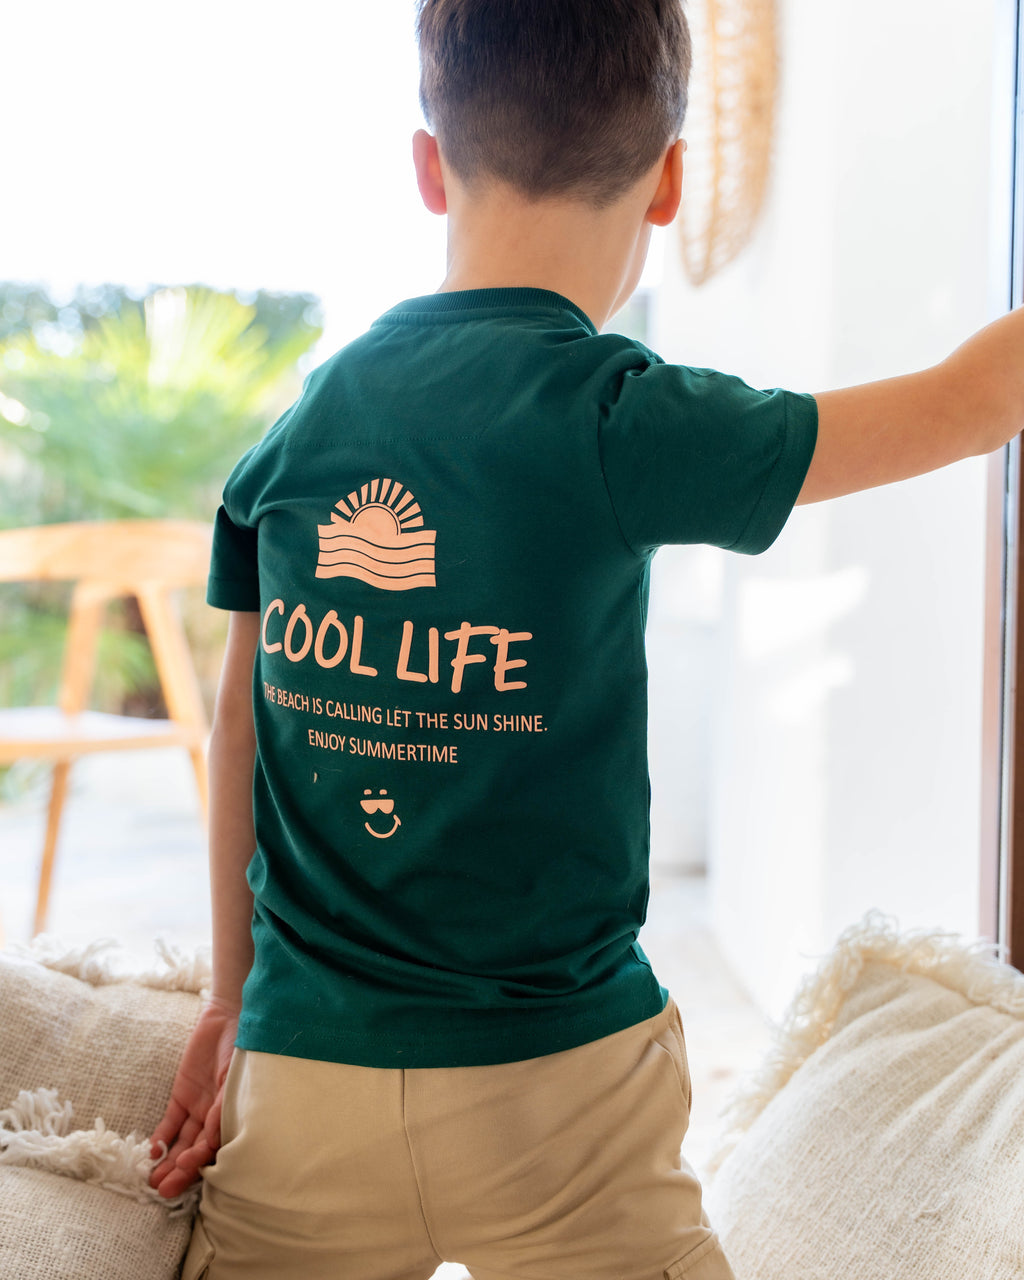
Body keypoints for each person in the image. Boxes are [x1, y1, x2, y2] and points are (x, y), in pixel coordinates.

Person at [149, 1, 1024, 1276]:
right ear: (668, 182)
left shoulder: (302, 426)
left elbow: (239, 723)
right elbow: (973, 400)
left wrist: (229, 1000)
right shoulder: (624, 418)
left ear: (427, 164)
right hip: (557, 1096)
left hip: (302, 1083)